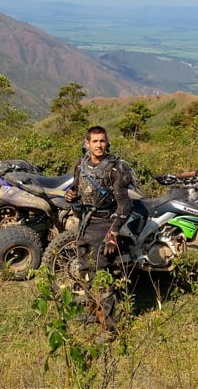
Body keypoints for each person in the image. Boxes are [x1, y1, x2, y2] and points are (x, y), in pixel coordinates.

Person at [65, 125, 134, 341]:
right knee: (85, 269)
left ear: (107, 142)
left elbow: (125, 205)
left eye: (102, 141)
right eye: (95, 141)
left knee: (101, 274)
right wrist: (71, 195)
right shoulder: (81, 164)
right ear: (87, 143)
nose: (99, 145)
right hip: (86, 223)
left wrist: (113, 233)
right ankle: (95, 313)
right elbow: (77, 188)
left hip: (106, 223)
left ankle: (111, 328)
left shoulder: (115, 169)